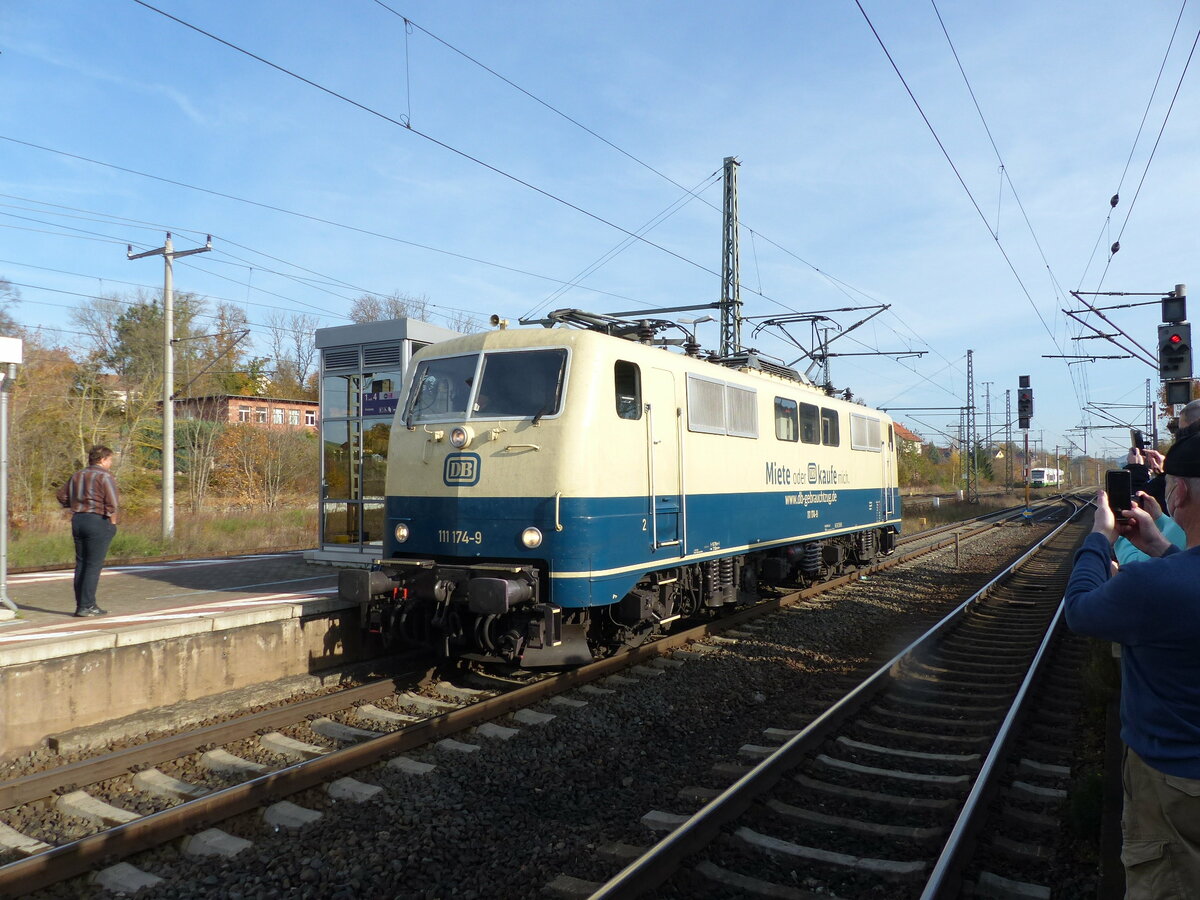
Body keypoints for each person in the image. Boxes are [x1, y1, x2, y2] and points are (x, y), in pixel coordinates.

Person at [1064, 431, 1200, 897]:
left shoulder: (1151, 588)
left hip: (1175, 785)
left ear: (1177, 492)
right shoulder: (1172, 577)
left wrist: (1100, 539)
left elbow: (1080, 609)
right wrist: (1162, 546)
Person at [56, 445, 119, 617]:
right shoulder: (105, 476)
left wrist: (74, 504)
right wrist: (112, 523)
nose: (111, 463)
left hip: (78, 519)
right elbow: (112, 503)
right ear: (103, 459)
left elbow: (61, 495)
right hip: (97, 520)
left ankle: (81, 604)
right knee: (93, 565)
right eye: (110, 460)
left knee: (82, 563)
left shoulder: (78, 475)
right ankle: (88, 605)